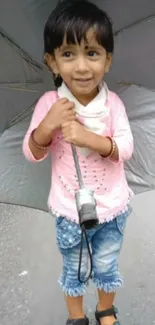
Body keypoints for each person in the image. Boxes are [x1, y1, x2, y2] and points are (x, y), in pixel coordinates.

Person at [23, 1, 134, 324]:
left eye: (92, 53)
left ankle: (105, 309)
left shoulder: (113, 104)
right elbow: (33, 152)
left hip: (112, 209)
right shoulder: (50, 104)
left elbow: (125, 147)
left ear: (108, 60)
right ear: (52, 62)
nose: (82, 66)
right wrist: (48, 126)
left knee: (106, 264)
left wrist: (90, 139)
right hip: (70, 213)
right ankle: (75, 315)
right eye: (68, 54)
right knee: (74, 268)